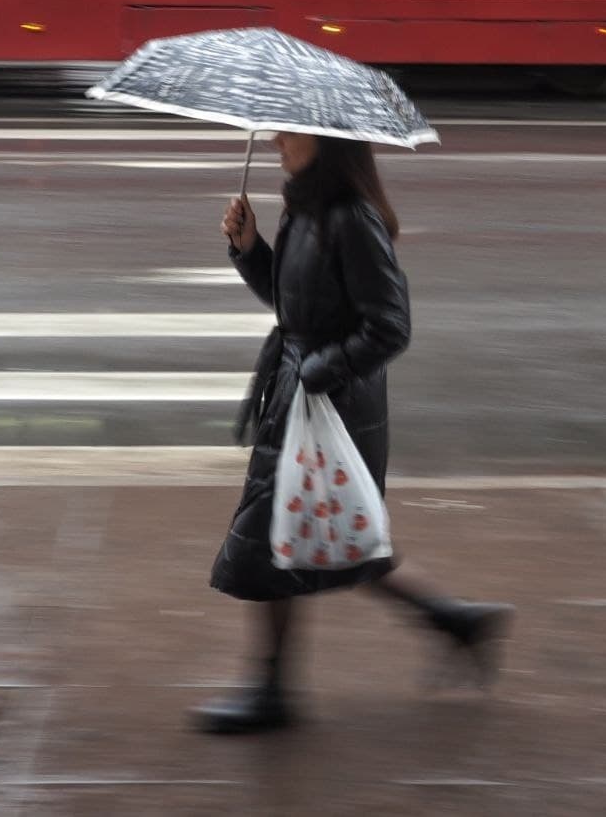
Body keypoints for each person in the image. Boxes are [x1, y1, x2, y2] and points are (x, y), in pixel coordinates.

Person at [193, 131, 514, 734]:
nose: (279, 143)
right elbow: (294, 306)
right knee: (328, 536)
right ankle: (455, 620)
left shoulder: (351, 218)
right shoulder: (304, 207)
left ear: (328, 143)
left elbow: (389, 326)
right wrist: (249, 248)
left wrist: (319, 369)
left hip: (327, 405)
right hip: (303, 395)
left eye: (293, 134)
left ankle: (271, 692)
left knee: (275, 540)